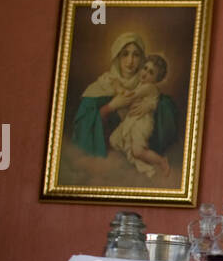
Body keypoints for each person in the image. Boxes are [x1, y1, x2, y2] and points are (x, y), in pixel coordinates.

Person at [70, 32, 180, 165]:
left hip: (132, 162)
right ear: (117, 56)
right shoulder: (103, 85)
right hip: (104, 161)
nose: (130, 61)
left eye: (136, 55)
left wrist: (152, 106)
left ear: (142, 59)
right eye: (125, 54)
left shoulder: (146, 85)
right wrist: (110, 107)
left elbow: (165, 115)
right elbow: (82, 127)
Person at [109, 53, 170, 178]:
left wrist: (117, 87)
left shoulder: (149, 87)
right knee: (114, 140)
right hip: (133, 119)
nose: (145, 73)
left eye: (151, 72)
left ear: (156, 79)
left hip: (142, 123)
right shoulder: (141, 84)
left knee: (138, 152)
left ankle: (161, 161)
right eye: (145, 68)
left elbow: (130, 96)